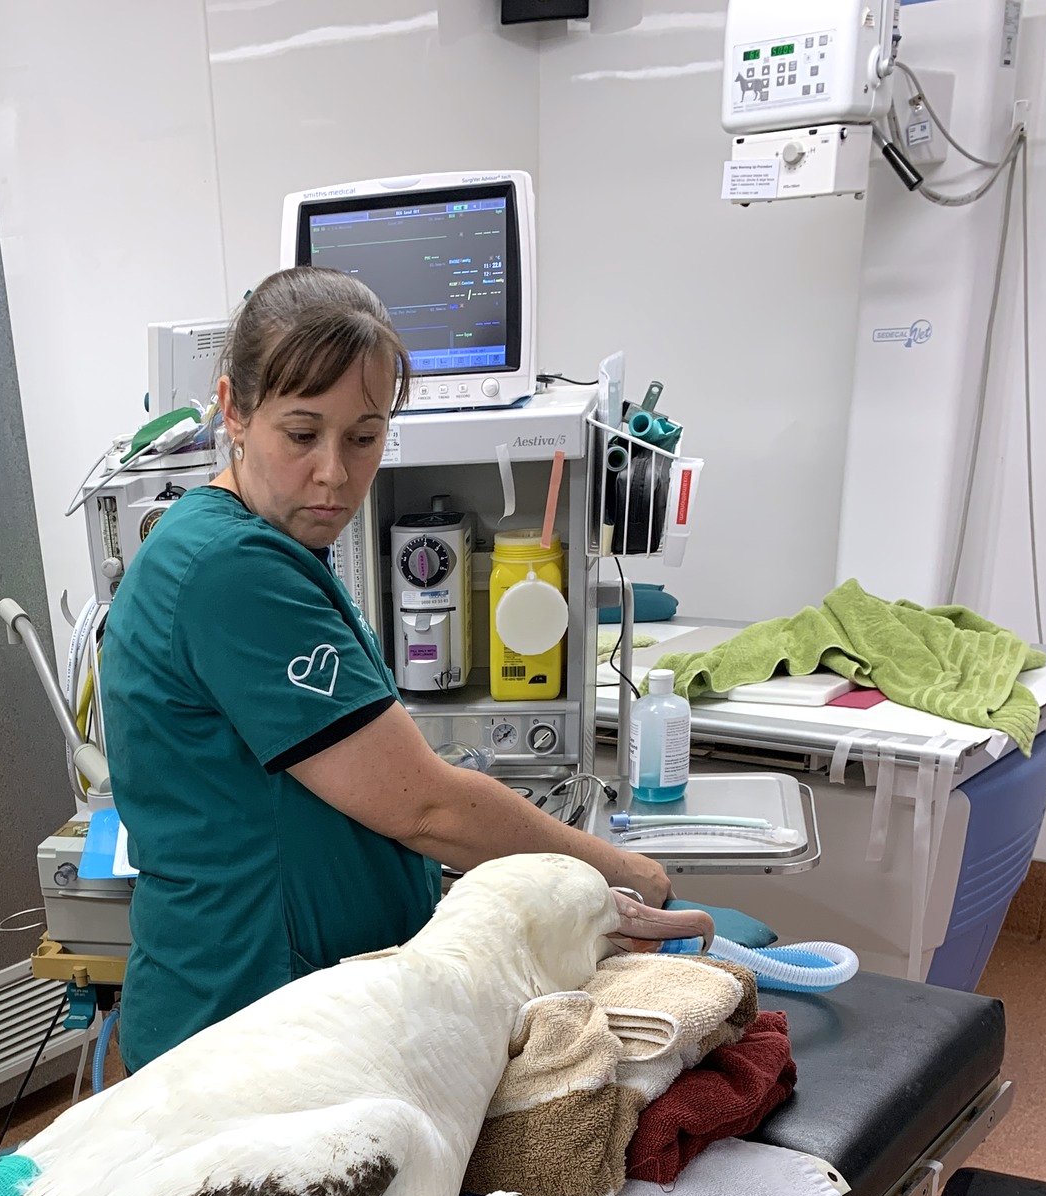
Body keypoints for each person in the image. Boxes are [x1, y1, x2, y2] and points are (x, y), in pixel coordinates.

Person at [99, 267, 670, 1071]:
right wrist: (624, 872)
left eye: (364, 437)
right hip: (249, 1026)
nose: (334, 473)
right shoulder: (230, 570)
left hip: (312, 1009)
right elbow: (428, 808)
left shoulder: (271, 549)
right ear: (232, 408)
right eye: (301, 435)